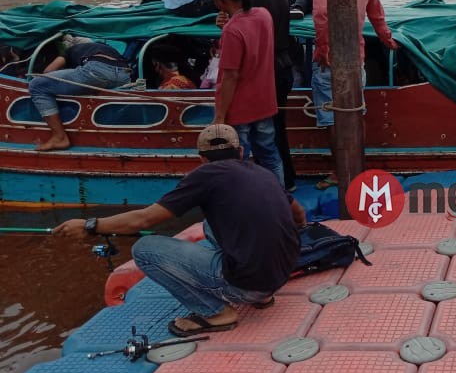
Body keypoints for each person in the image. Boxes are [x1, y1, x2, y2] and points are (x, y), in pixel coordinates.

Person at [53, 124, 305, 336]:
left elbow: (143, 220)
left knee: (144, 249)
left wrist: (91, 225)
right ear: (240, 152)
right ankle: (262, 296)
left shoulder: (203, 174)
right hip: (280, 276)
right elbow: (299, 215)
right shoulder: (263, 172)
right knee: (210, 226)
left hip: (248, 285)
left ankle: (216, 312)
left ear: (201, 158)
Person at [311, 0, 398, 189]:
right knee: (354, 113)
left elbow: (321, 14)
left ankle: (340, 172)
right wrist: (388, 40)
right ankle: (357, 167)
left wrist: (325, 48)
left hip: (331, 60)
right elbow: (378, 17)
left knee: (333, 119)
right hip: (355, 58)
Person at [220, 0, 298, 192]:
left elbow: (244, 36)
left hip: (266, 69)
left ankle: (269, 187)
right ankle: (285, 183)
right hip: (283, 64)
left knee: (259, 138)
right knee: (275, 129)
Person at [207, 0, 283, 186]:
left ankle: (242, 204)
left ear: (219, 0)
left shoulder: (233, 30)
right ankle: (279, 198)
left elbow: (231, 75)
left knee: (238, 160)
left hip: (240, 109)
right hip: (265, 102)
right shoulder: (263, 15)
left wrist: (220, 116)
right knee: (269, 155)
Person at [28, 38, 133, 151]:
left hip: (96, 71)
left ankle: (59, 137)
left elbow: (48, 72)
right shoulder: (107, 48)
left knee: (38, 84)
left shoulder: (71, 50)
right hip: (124, 75)